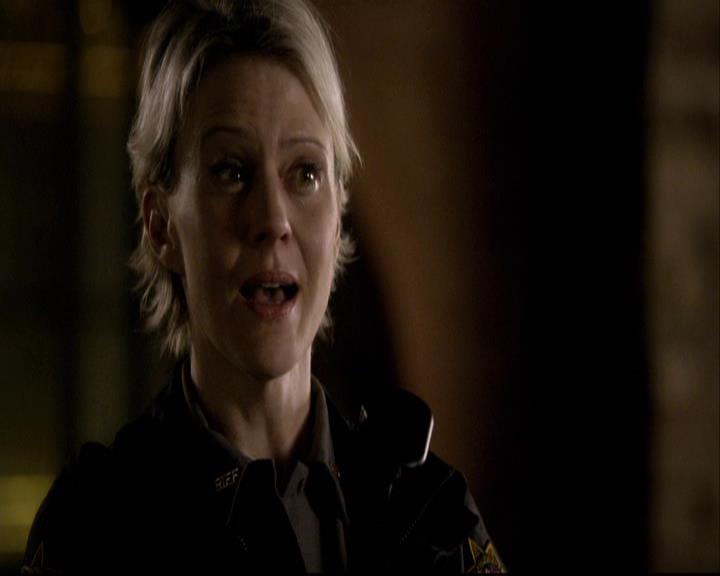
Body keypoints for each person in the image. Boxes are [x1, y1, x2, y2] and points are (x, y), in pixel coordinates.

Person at [22, 0, 505, 572]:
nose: (273, 219)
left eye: (305, 173)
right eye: (232, 171)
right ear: (160, 225)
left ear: (339, 212)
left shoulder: (429, 514)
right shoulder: (94, 524)